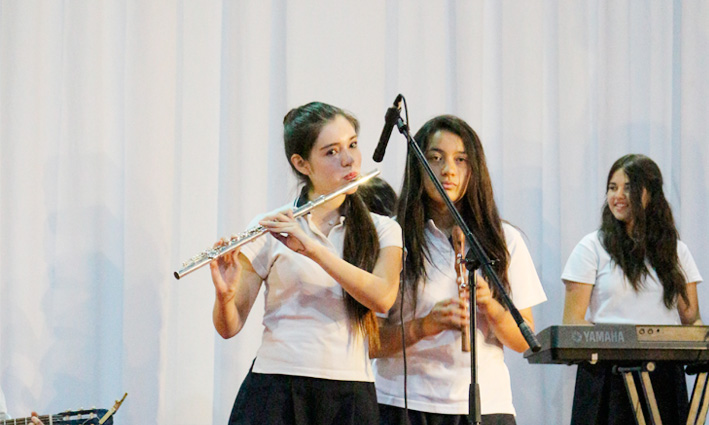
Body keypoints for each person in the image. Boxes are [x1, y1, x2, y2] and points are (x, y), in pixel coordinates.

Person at [210, 102, 403, 425]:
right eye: (331, 152)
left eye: (352, 145)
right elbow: (228, 327)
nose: (348, 160)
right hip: (275, 387)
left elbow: (383, 296)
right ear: (301, 163)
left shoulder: (384, 228)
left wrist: (313, 249)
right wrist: (225, 297)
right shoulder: (270, 226)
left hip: (349, 393)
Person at [371, 115, 547, 425]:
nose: (448, 170)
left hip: (486, 404)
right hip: (403, 403)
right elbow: (371, 342)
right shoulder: (392, 237)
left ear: (475, 169)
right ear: (418, 166)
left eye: (461, 160)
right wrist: (423, 326)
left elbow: (524, 340)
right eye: (435, 158)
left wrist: (491, 307)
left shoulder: (505, 240)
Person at [562, 153, 703, 425]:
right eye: (613, 188)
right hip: (608, 377)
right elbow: (572, 323)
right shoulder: (591, 247)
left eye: (628, 187)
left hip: (664, 374)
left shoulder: (676, 251)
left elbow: (691, 319)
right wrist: (615, 344)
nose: (618, 195)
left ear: (650, 194)